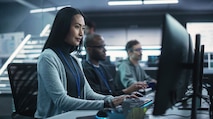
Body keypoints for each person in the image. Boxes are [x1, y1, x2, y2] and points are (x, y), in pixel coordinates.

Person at [34, 7, 128, 118]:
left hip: (75, 115)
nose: (81, 33)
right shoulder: (47, 58)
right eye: (77, 27)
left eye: (83, 29)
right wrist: (106, 103)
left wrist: (114, 99)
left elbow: (88, 93)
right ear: (63, 28)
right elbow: (61, 101)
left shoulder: (74, 60)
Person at [82, 34, 147, 96]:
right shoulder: (85, 70)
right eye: (100, 47)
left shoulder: (103, 68)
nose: (105, 50)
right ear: (89, 49)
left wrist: (128, 94)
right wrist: (126, 91)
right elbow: (98, 96)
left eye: (104, 46)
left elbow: (113, 91)